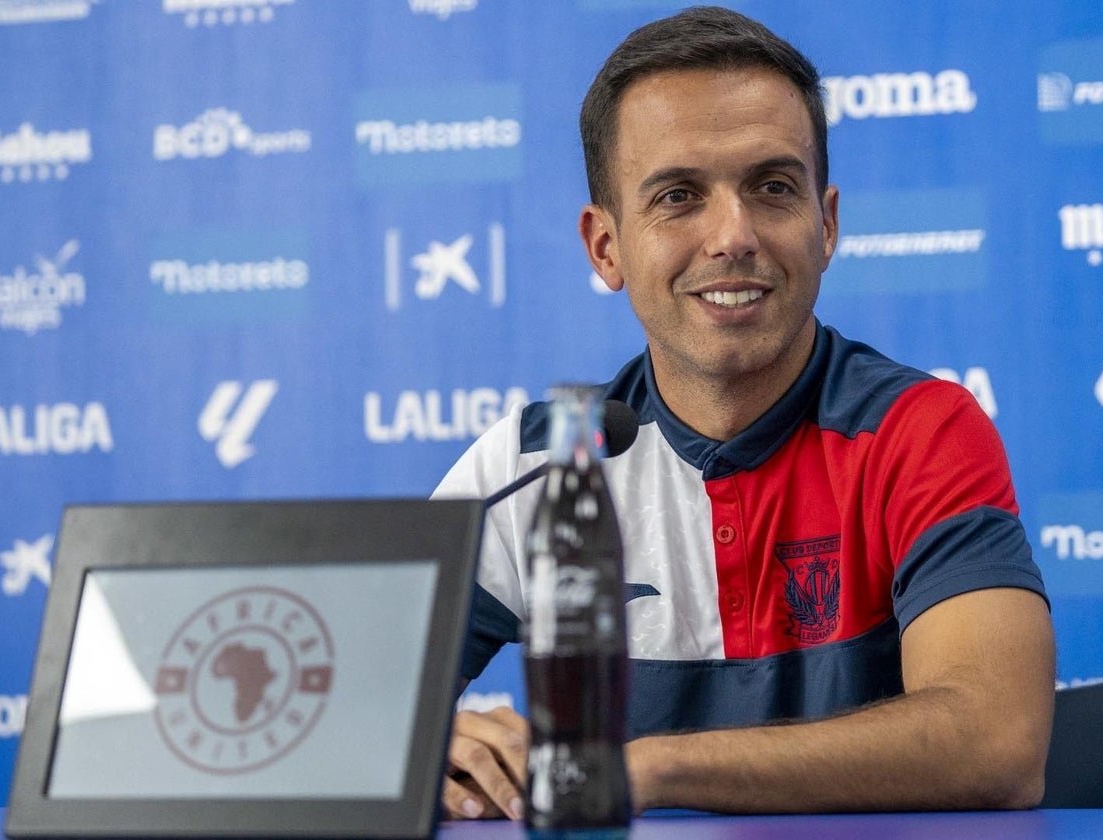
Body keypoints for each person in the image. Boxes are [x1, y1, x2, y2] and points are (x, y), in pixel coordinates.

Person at [433, 5, 1055, 817]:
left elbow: (996, 742)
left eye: (771, 187)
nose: (734, 235)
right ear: (606, 247)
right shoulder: (535, 465)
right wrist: (424, 743)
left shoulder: (918, 429)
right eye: (678, 195)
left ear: (825, 224)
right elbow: (340, 727)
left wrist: (644, 769)